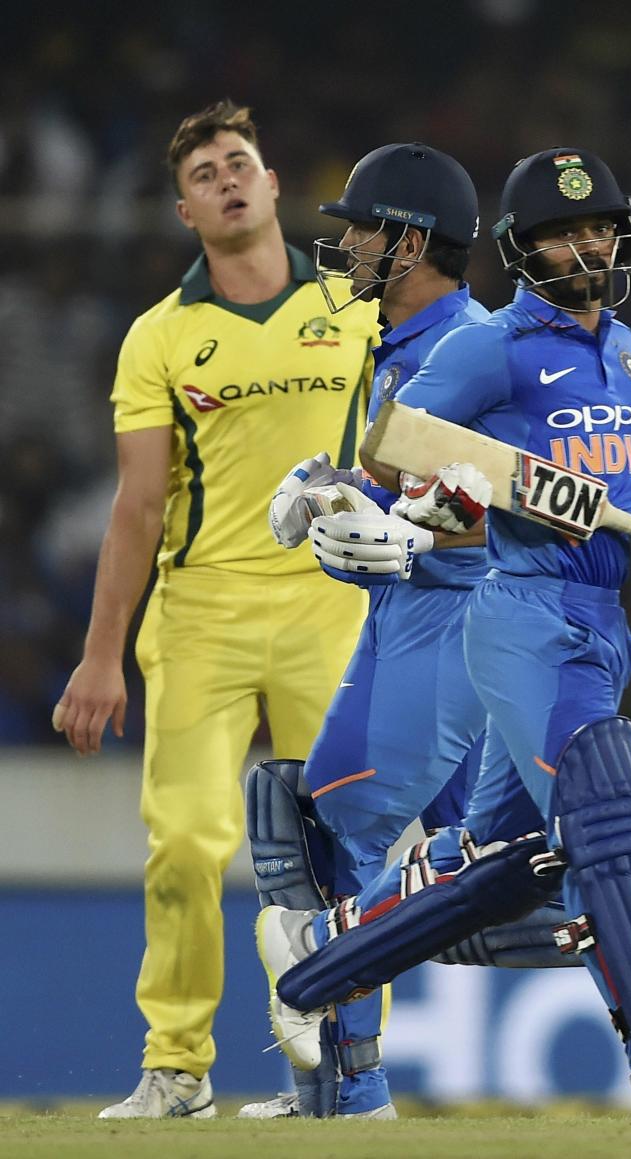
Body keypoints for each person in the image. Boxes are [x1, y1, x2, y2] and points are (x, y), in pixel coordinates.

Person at [253, 147, 631, 1119]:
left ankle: (318, 959)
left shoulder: (619, 347)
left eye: (599, 227)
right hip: (524, 611)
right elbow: (397, 444)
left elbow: (621, 465)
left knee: (504, 868)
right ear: (520, 251)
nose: (587, 244)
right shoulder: (489, 345)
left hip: (601, 616)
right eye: (562, 233)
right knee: (607, 803)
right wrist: (393, 502)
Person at [51, 100, 379, 1119]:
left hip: (334, 605)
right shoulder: (160, 336)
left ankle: (336, 1073)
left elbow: (407, 445)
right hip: (200, 616)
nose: (229, 179)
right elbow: (137, 507)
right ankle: (178, 1067)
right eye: (206, 174)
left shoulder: (358, 307)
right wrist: (101, 657)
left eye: (243, 162)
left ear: (275, 185)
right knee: (187, 841)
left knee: (349, 848)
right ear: (186, 210)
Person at [242, 142, 491, 1120]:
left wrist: (387, 520)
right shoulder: (402, 342)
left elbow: (488, 505)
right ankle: (347, 1085)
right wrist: (326, 487)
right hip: (410, 617)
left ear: (413, 241)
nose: (343, 245)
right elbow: (392, 491)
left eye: (361, 229)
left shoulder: (463, 345)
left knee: (351, 826)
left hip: (458, 625)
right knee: (475, 850)